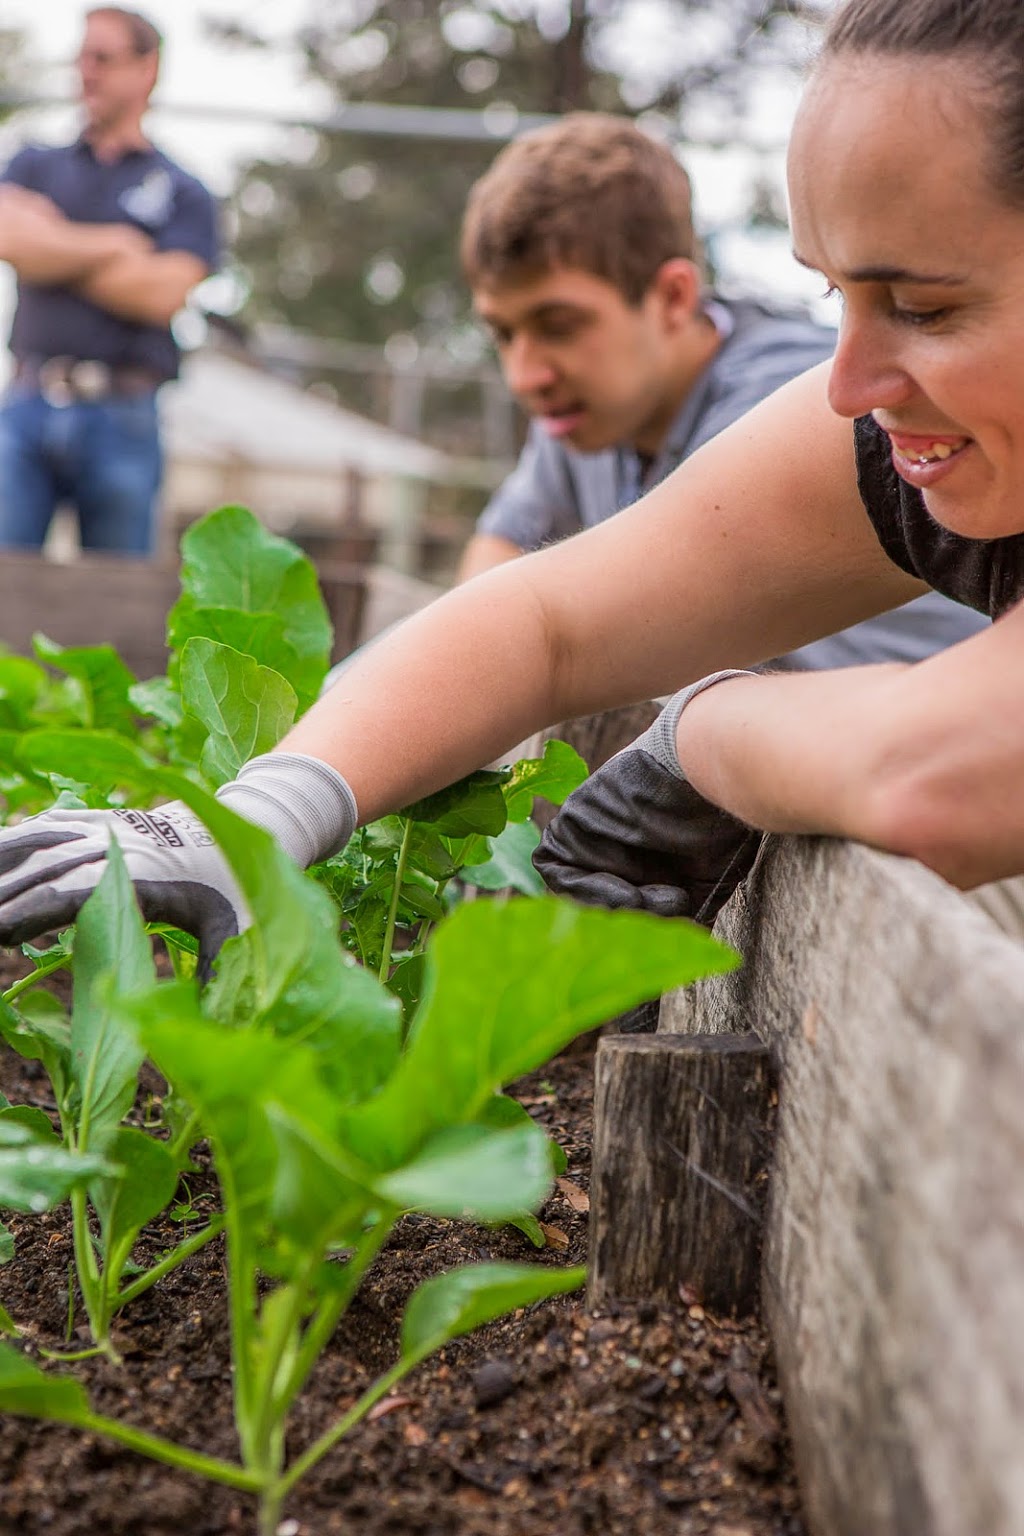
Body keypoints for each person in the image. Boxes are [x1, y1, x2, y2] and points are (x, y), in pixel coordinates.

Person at [0, 0, 1022, 973]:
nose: (844, 385)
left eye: (924, 308)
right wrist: (260, 812)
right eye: (831, 292)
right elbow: (543, 620)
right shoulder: (874, 423)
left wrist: (701, 732)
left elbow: (931, 775)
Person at [455, 111, 985, 683]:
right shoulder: (583, 412)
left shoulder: (778, 400)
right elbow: (494, 569)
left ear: (673, 297)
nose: (524, 375)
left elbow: (608, 634)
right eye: (503, 335)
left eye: (558, 325)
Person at [0, 7, 219, 556]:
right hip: (25, 404)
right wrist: (116, 245)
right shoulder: (33, 164)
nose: (85, 72)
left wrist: (53, 243)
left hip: (124, 416)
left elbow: (162, 294)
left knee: (115, 600)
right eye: (80, 58)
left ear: (147, 69)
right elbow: (11, 240)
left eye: (103, 58)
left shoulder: (184, 191)